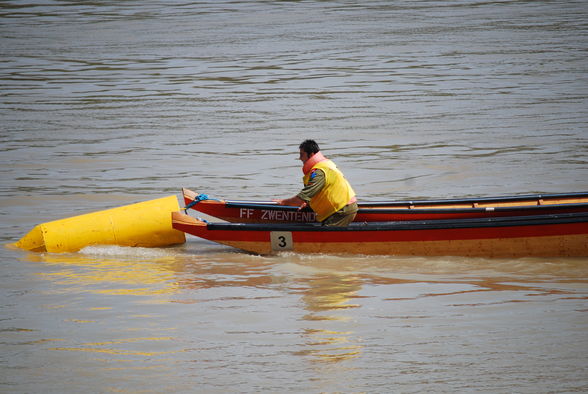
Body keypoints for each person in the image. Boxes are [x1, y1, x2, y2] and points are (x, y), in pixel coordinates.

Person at [274, 139, 358, 226]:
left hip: (341, 210)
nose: (300, 158)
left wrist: (283, 202)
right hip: (341, 208)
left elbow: (301, 198)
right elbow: (322, 191)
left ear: (311, 155)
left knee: (324, 238)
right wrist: (309, 205)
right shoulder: (325, 164)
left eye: (302, 154)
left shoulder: (319, 171)